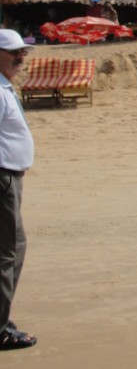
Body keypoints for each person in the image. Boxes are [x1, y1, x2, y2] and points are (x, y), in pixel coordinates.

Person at [0, 29, 37, 350]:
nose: (20, 58)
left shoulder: (4, 87)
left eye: (23, 53)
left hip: (11, 177)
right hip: (2, 179)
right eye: (13, 52)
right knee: (6, 252)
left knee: (14, 248)